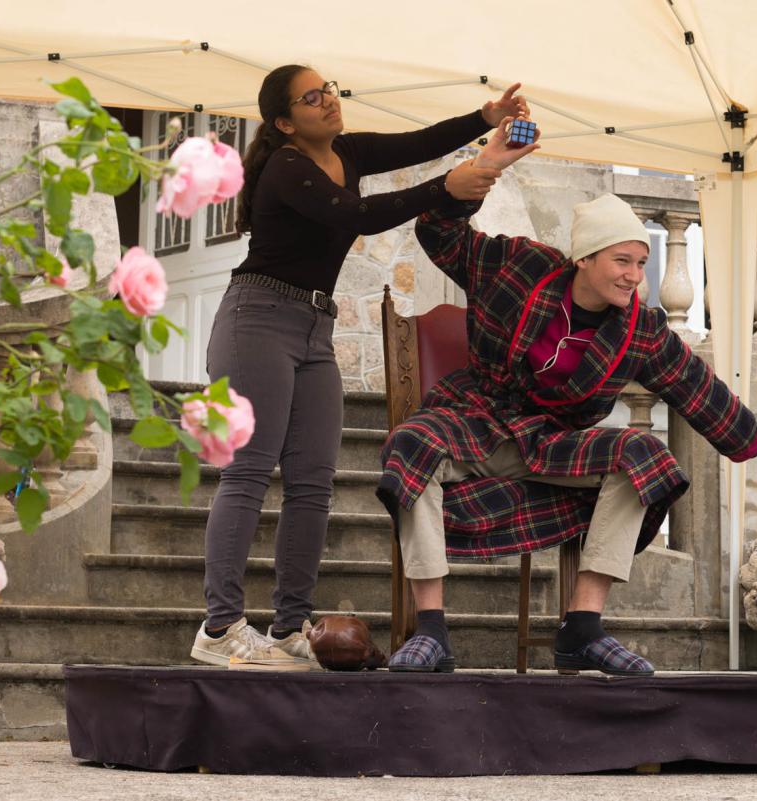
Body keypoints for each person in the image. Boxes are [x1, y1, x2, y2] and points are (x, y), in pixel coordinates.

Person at [377, 118, 757, 676]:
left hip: (555, 445)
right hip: (476, 420)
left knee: (646, 456)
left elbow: (697, 388)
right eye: (622, 261)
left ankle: (583, 628)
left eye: (641, 264)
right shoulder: (518, 266)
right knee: (411, 442)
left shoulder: (641, 329)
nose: (633, 276)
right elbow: (439, 234)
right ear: (585, 258)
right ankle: (431, 632)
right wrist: (486, 167)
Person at [189, 64, 528, 668]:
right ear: (285, 121)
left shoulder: (346, 151)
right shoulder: (287, 167)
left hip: (315, 325)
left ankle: (290, 625)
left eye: (331, 89)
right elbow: (359, 216)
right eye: (311, 97)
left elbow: (415, 143)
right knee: (248, 473)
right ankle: (219, 628)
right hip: (257, 318)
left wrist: (485, 119)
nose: (329, 101)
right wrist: (446, 187)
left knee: (314, 483)